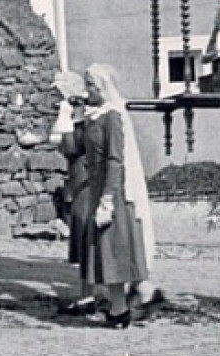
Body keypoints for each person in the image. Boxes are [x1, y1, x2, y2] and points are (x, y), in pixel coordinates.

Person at [77, 64, 149, 328]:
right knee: (105, 252)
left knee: (113, 251)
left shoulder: (112, 116)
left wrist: (108, 199)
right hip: (96, 187)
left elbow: (115, 160)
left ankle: (120, 309)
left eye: (91, 86)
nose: (87, 91)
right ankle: (117, 307)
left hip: (112, 191)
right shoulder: (92, 115)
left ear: (103, 87)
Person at [49, 70, 97, 316]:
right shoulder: (83, 114)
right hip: (80, 178)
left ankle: (89, 295)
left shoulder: (82, 115)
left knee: (87, 234)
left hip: (85, 181)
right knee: (85, 233)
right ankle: (91, 292)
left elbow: (69, 145)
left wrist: (65, 115)